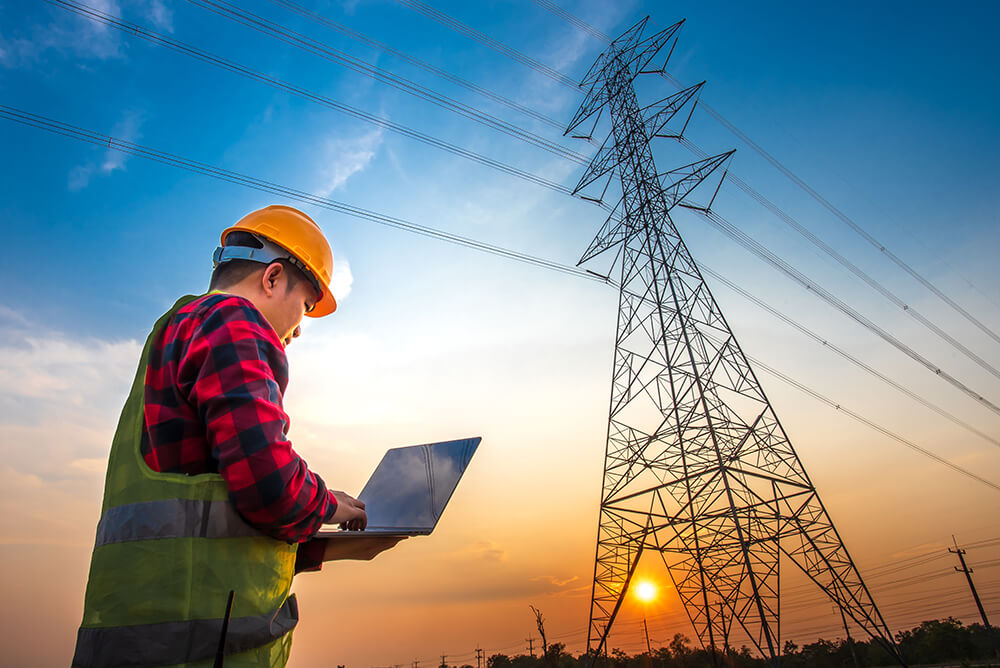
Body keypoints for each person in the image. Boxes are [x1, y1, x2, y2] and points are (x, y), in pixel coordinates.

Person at [73, 205, 404, 667]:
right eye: (304, 306)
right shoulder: (232, 321)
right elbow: (268, 484)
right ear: (271, 279)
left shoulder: (174, 331)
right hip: (201, 651)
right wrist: (327, 504)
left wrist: (329, 544)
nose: (299, 328)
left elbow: (207, 518)